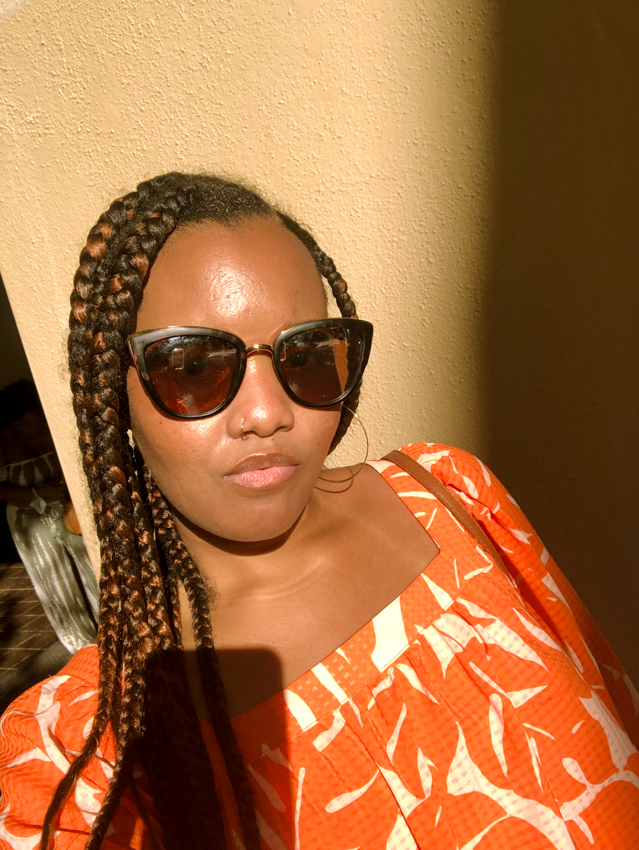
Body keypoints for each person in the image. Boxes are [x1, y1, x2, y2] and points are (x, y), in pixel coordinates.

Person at [0, 172, 637, 850]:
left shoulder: (450, 496)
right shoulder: (87, 748)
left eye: (304, 356)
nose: (268, 414)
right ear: (111, 392)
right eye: (193, 367)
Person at [0, 379, 98, 654]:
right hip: (29, 520)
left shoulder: (53, 425)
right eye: (26, 425)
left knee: (91, 568)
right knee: (56, 580)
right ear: (11, 423)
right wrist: (36, 492)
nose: (36, 430)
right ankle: (81, 646)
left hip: (67, 511)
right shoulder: (4, 443)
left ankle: (112, 628)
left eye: (38, 420)